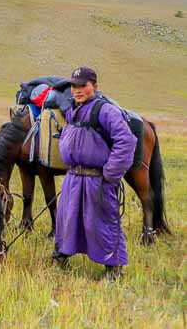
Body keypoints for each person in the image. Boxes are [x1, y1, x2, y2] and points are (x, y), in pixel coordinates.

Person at [52, 66, 137, 280]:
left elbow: (126, 141)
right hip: (74, 177)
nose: (77, 90)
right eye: (74, 86)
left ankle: (114, 268)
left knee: (102, 221)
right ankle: (61, 255)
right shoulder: (73, 109)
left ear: (94, 86)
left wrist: (111, 172)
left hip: (97, 179)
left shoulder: (106, 110)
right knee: (67, 218)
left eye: (83, 85)